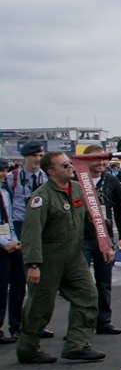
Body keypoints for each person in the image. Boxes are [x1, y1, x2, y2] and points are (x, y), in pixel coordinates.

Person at [15, 151, 104, 364]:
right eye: (65, 165)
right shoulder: (41, 197)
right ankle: (28, 349)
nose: (70, 167)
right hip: (48, 259)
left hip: (73, 257)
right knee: (40, 306)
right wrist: (33, 264)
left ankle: (77, 345)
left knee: (88, 296)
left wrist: (104, 244)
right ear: (51, 171)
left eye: (70, 163)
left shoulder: (77, 189)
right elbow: (31, 233)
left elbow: (91, 219)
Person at [80, 146, 121, 336]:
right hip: (81, 237)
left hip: (104, 237)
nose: (100, 163)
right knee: (81, 283)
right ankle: (80, 324)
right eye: (95, 159)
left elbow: (119, 211)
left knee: (104, 282)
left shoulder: (112, 181)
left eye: (103, 159)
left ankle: (103, 321)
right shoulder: (78, 180)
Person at [3, 142, 48, 338]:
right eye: (34, 155)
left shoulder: (45, 177)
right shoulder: (12, 179)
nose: (38, 159)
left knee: (42, 282)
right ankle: (16, 325)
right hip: (19, 227)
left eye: (40, 155)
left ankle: (38, 324)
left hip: (41, 226)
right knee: (18, 281)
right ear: (25, 158)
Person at [0, 163, 22, 344]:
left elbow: (9, 218)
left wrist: (13, 240)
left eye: (5, 171)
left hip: (8, 241)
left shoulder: (5, 193)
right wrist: (4, 243)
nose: (3, 174)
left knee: (6, 288)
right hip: (2, 244)